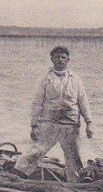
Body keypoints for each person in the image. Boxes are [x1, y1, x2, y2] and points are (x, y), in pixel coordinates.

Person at [14, 46, 93, 183]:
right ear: (52, 59)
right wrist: (34, 125)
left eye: (63, 57)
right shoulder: (45, 79)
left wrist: (89, 123)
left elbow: (83, 102)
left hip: (70, 125)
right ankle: (15, 177)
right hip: (49, 123)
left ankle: (75, 186)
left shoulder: (76, 79)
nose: (60, 60)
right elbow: (37, 103)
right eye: (57, 57)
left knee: (73, 158)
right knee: (36, 152)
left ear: (68, 59)